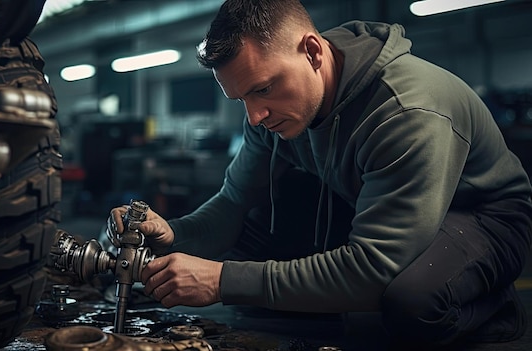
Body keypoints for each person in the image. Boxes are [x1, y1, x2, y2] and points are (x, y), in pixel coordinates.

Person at [109, 0, 532, 345]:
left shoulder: (405, 113)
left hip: (483, 218)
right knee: (252, 233)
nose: (255, 116)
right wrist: (174, 233)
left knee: (410, 301)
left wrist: (221, 280)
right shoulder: (272, 113)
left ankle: (492, 311)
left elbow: (374, 268)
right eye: (240, 98)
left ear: (312, 52)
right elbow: (235, 203)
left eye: (262, 88)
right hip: (381, 209)